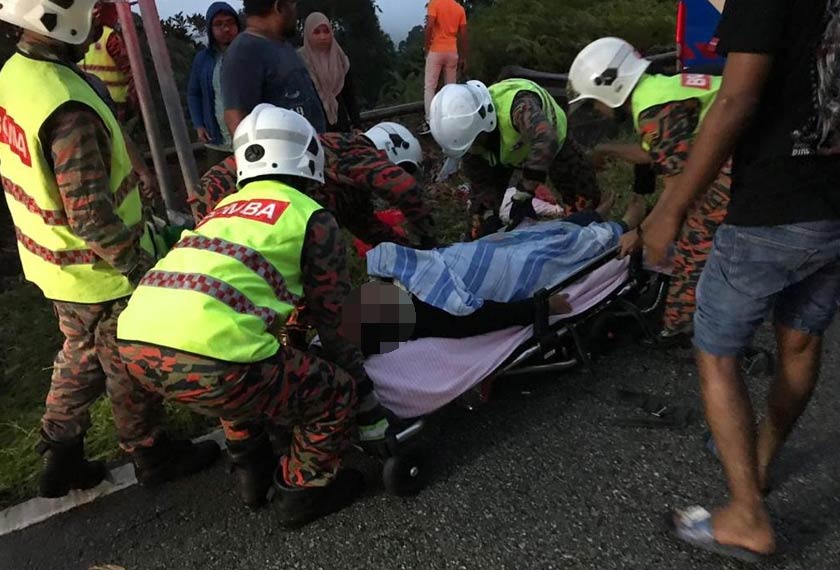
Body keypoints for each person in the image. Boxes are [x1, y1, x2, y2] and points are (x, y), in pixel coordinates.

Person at [637, 0, 840, 562]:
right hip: (832, 204)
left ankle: (747, 515)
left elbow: (735, 99)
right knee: (800, 341)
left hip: (773, 203)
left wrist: (670, 208)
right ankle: (763, 462)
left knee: (717, 352)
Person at [117, 105, 386, 524]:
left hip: (135, 347)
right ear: (309, 158)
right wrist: (367, 403)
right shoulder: (310, 217)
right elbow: (336, 328)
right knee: (332, 391)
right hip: (215, 361)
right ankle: (303, 490)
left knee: (239, 356)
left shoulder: (222, 209)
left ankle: (252, 468)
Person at [0, 0, 219, 499]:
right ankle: (151, 451)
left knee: (80, 353)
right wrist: (140, 269)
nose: (97, 20)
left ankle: (62, 451)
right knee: (128, 360)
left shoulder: (15, 75)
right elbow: (90, 214)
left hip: (53, 260)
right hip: (100, 267)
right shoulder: (67, 108)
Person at [567, 37, 731, 347]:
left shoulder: (654, 110)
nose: (598, 110)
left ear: (610, 87)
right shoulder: (653, 90)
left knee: (695, 232)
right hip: (738, 142)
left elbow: (677, 185)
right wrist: (608, 150)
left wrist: (642, 231)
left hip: (747, 152)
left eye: (594, 102)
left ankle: (682, 327)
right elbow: (656, 153)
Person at [192, 122, 438, 249]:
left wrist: (410, 251)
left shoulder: (345, 176)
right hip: (235, 192)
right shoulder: (357, 149)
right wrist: (428, 238)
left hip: (220, 193)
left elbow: (367, 227)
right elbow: (404, 187)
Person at [430, 79, 602, 239]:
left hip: (553, 142)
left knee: (583, 202)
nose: (472, 150)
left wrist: (524, 192)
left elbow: (546, 140)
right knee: (481, 221)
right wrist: (487, 217)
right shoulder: (470, 145)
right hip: (505, 153)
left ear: (484, 124)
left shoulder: (520, 107)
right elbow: (481, 187)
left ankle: (591, 236)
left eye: (475, 142)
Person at [222, 0, 326, 137]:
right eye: (293, 4)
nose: (296, 11)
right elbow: (237, 123)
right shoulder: (243, 53)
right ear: (279, 7)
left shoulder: (283, 44)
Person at [187, 2, 242, 167]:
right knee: (219, 180)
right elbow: (194, 93)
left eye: (230, 22)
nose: (226, 29)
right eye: (218, 24)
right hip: (217, 140)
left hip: (251, 136)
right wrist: (199, 124)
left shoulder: (250, 53)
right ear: (210, 29)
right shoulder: (203, 59)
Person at [299, 12, 361, 132]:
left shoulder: (340, 59)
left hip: (341, 126)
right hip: (313, 128)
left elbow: (349, 97)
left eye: (326, 31)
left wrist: (357, 126)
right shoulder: (299, 61)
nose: (323, 37)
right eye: (317, 32)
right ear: (308, 34)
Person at [78, 3, 135, 123]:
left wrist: (132, 104)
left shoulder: (110, 37)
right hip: (86, 105)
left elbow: (133, 73)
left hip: (114, 108)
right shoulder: (75, 36)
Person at [421, 0, 468, 135]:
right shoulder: (459, 8)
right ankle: (450, 120)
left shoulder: (434, 4)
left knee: (430, 87)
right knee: (450, 88)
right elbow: (463, 34)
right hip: (452, 51)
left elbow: (430, 26)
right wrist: (464, 56)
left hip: (436, 50)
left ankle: (430, 122)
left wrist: (427, 47)